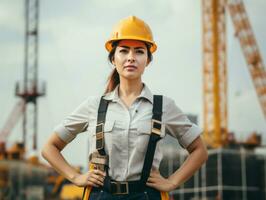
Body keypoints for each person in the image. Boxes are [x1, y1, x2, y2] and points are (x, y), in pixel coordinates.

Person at [42, 15, 208, 200]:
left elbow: (199, 150)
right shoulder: (94, 106)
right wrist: (75, 177)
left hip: (146, 195)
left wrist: (172, 182)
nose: (131, 58)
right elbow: (50, 147)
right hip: (102, 195)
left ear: (148, 60)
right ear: (113, 59)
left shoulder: (163, 107)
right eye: (124, 51)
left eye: (139, 51)